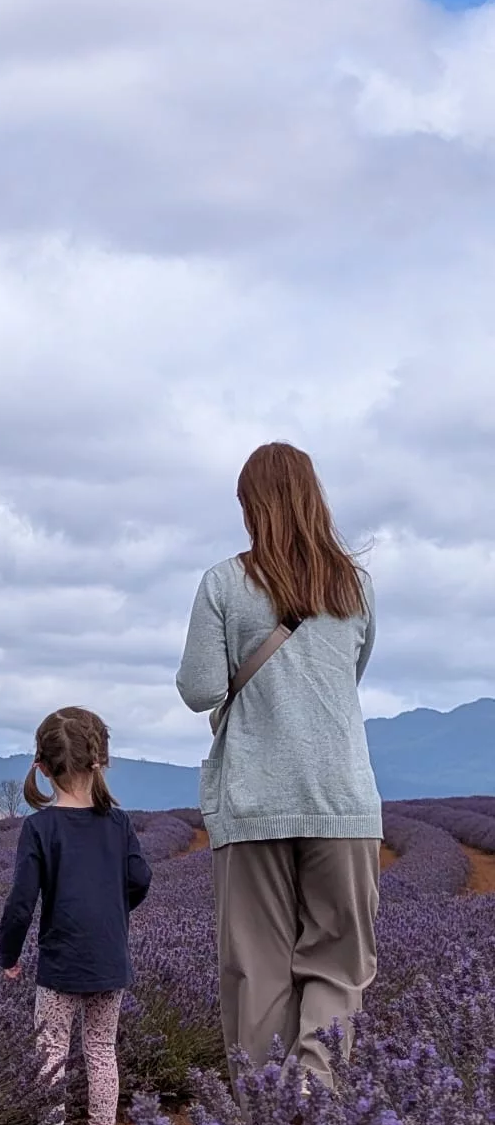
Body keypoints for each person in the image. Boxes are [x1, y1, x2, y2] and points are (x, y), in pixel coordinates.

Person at [176, 441, 382, 1089]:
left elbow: (200, 689)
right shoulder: (355, 585)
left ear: (251, 508)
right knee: (338, 963)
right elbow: (352, 675)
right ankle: (314, 1098)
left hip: (254, 801)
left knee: (258, 968)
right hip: (343, 802)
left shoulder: (223, 582)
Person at [0, 706, 152, 1125]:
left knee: (51, 1048)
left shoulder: (40, 827)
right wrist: (113, 914)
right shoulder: (119, 823)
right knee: (102, 1047)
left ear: (41, 768)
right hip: (109, 959)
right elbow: (141, 878)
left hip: (60, 962)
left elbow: (22, 900)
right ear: (98, 760)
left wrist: (8, 952)